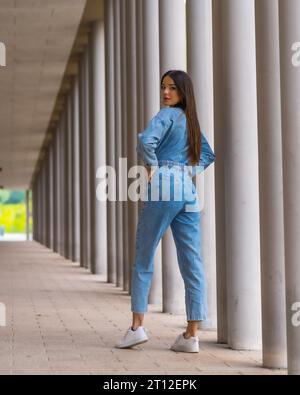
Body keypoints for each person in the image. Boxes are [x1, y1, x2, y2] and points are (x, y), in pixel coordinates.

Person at [116, 70, 215, 353]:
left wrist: (155, 167)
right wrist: (186, 171)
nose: (166, 93)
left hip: (163, 187)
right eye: (163, 87)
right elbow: (208, 154)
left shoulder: (166, 115)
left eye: (172, 88)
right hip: (188, 192)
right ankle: (191, 335)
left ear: (184, 92)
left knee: (144, 255)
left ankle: (136, 328)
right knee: (192, 261)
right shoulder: (191, 122)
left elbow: (146, 141)